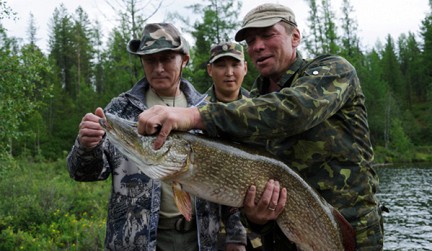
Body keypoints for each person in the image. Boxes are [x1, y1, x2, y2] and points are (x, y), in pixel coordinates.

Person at [136, 4, 384, 251]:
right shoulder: (252, 100)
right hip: (283, 240)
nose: (257, 46)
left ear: (295, 36)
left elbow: (291, 111)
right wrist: (256, 217)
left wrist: (194, 115)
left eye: (268, 35)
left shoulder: (333, 71)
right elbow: (250, 190)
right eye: (251, 40)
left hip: (348, 232)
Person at [66, 23, 247, 251]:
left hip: (200, 241)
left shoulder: (207, 111)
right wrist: (86, 146)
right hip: (136, 243)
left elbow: (232, 180)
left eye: (167, 58)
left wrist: (236, 235)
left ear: (184, 60)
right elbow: (84, 173)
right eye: (150, 60)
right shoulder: (121, 110)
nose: (159, 67)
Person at [206, 42, 262, 251]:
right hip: (212, 227)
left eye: (235, 65)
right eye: (221, 66)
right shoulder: (194, 113)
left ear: (245, 68)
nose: (229, 73)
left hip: (258, 224)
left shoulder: (262, 111)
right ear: (210, 70)